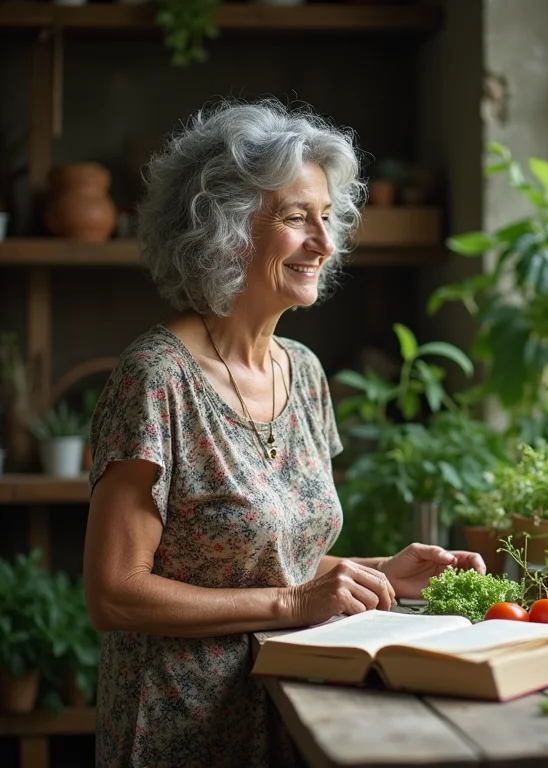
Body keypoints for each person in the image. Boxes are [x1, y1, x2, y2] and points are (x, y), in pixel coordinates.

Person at [83, 99, 486, 768]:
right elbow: (114, 592)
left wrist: (378, 572)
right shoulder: (155, 378)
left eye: (327, 217)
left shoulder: (304, 372)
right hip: (179, 729)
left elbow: (257, 556)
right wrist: (295, 600)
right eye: (297, 218)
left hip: (294, 709)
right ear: (223, 228)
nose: (325, 243)